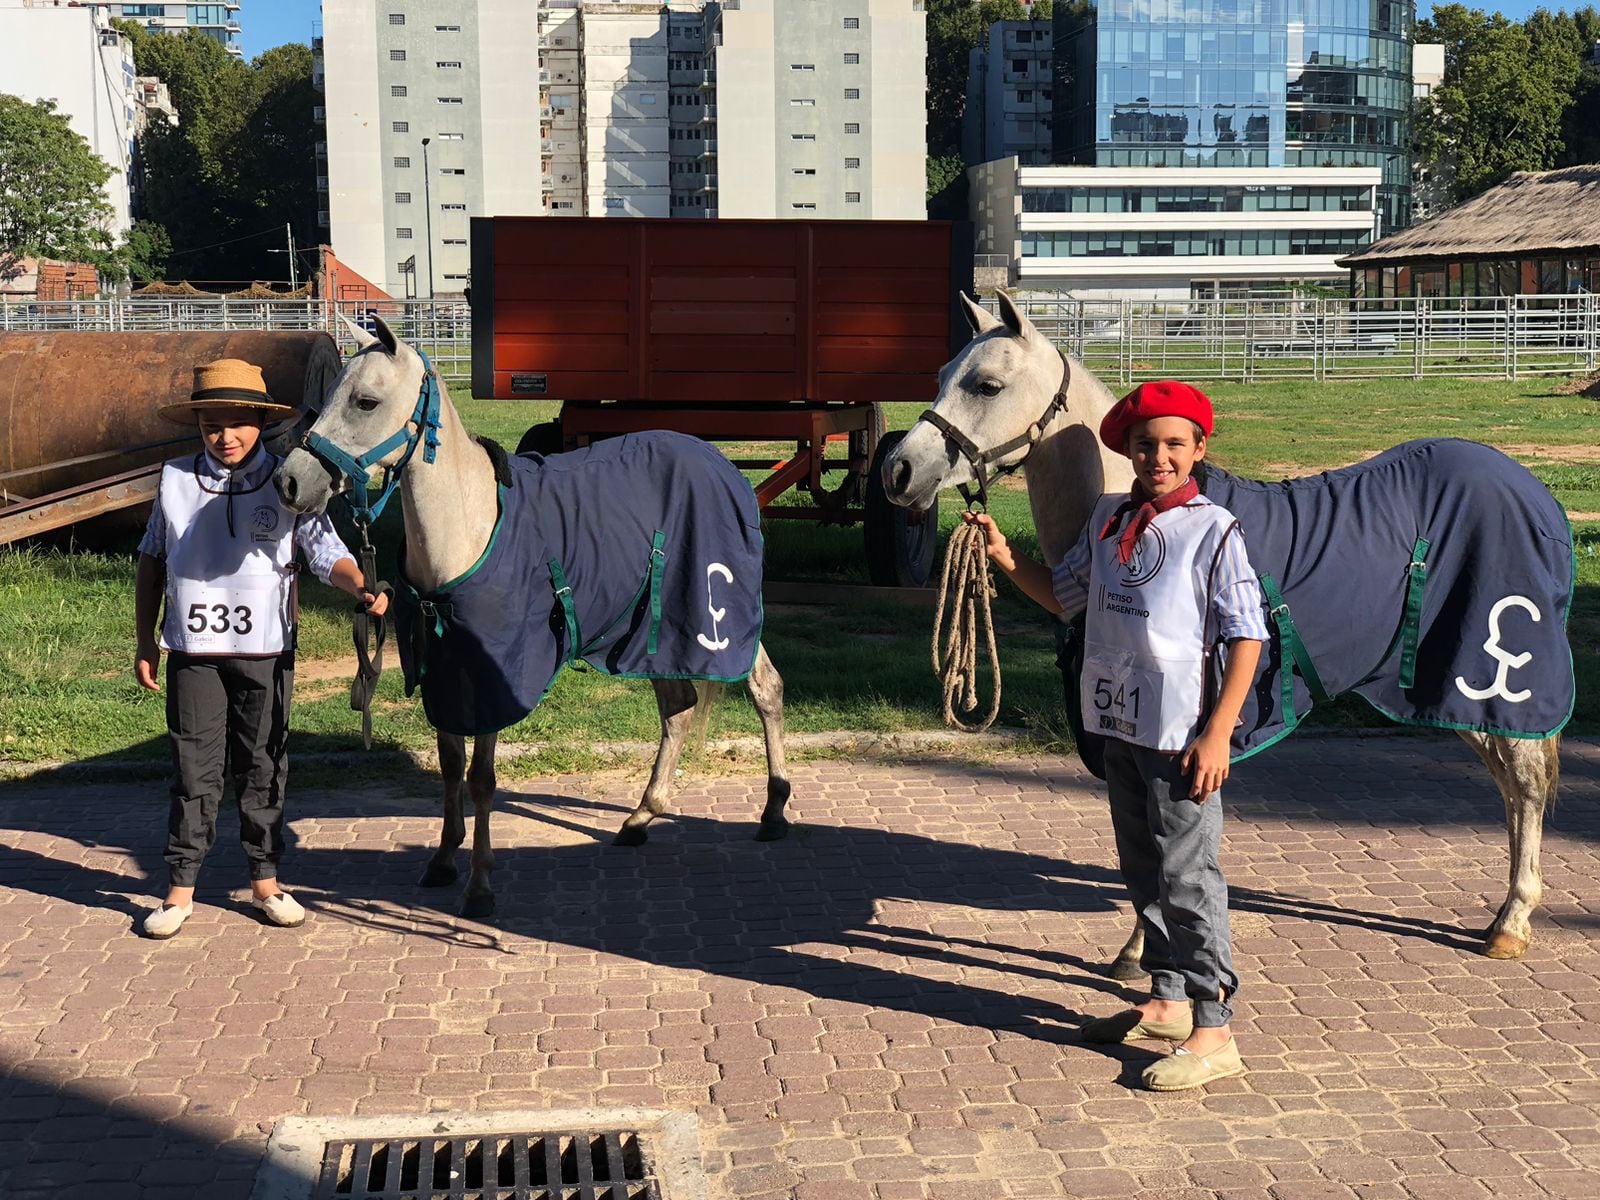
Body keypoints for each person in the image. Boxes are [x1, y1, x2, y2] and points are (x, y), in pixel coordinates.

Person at [964, 379, 1266, 1092]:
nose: (1157, 457)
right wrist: (1008, 558)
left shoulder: (1213, 532)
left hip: (1182, 734)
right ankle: (1165, 999)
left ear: (1198, 450)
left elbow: (1248, 633)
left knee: (1189, 876)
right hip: (1122, 726)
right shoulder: (1107, 521)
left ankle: (1215, 1027)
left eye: (1173, 445)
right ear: (1126, 450)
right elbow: (1067, 599)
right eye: (1144, 444)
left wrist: (1219, 732)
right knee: (1143, 870)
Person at [133, 359, 388, 939]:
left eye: (238, 424)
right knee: (194, 770)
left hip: (265, 652)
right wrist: (145, 638)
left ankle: (266, 881)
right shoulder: (174, 481)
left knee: (263, 766)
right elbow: (152, 560)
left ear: (260, 423)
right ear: (199, 429)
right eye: (212, 427)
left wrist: (363, 587)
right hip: (194, 654)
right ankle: (179, 890)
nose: (225, 438)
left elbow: (326, 553)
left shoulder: (288, 482)